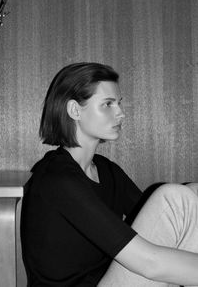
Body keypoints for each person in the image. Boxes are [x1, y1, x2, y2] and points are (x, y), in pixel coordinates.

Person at [21, 62, 198, 287]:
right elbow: (149, 263)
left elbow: (158, 221)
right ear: (75, 110)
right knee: (175, 197)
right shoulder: (56, 179)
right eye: (108, 104)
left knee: (190, 194)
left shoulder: (106, 170)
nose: (121, 113)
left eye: (119, 103)